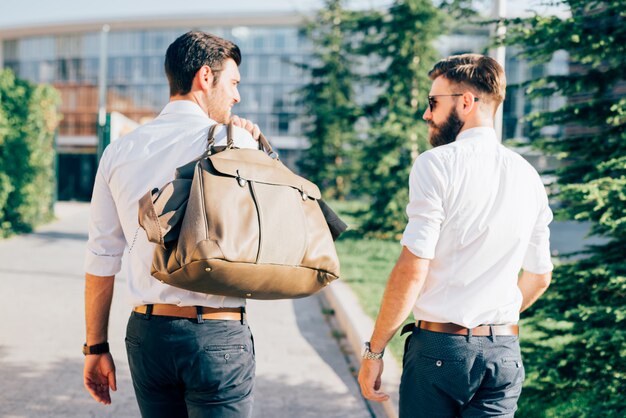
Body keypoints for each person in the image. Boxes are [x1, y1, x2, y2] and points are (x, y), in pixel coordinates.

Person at [357, 54, 553, 417]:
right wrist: (489, 316)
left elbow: (413, 268)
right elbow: (540, 277)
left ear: (466, 102)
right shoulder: (529, 176)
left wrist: (374, 352)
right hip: (504, 353)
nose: (426, 114)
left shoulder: (436, 164)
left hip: (440, 350)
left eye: (433, 102)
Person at [83, 31, 263, 418]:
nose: (237, 97)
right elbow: (274, 226)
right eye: (233, 83)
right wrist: (257, 146)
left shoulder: (119, 151)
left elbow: (101, 256)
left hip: (148, 337)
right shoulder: (235, 143)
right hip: (216, 335)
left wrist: (95, 347)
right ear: (204, 77)